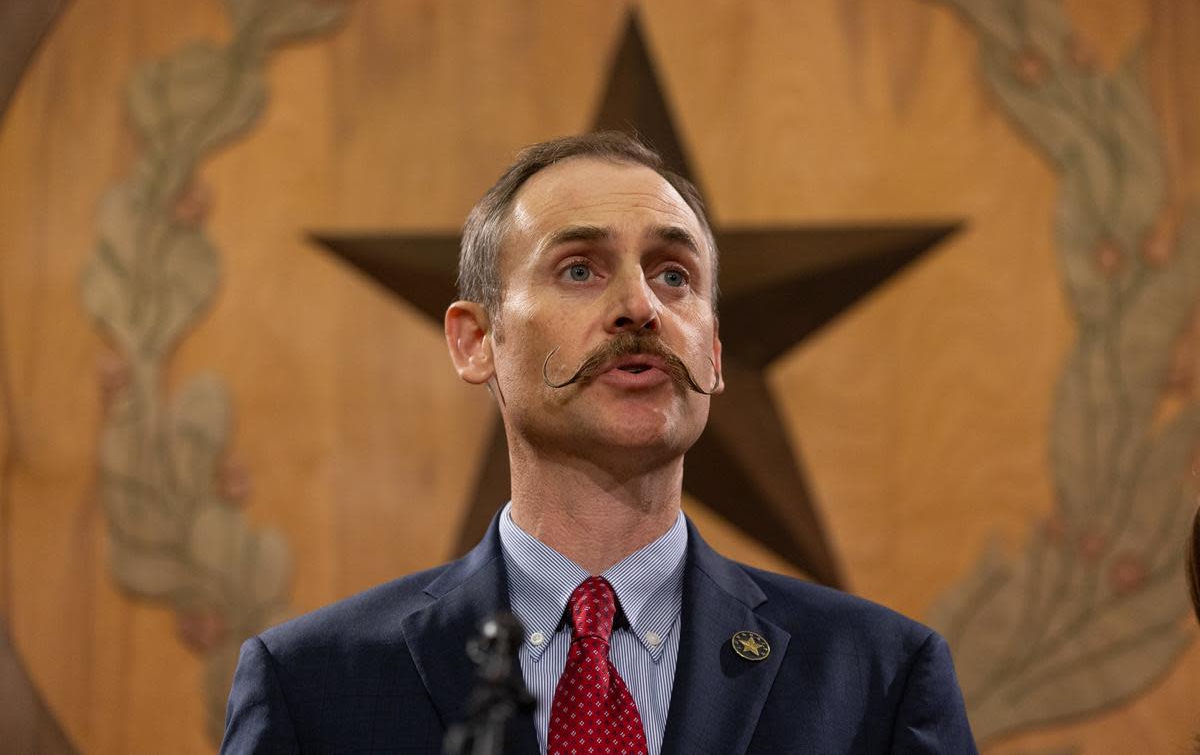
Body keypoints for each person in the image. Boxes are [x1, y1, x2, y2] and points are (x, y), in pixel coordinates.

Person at [220, 132, 978, 754]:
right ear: (476, 341)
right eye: (579, 268)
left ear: (713, 352)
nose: (640, 306)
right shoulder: (313, 686)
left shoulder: (877, 679)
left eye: (674, 276)